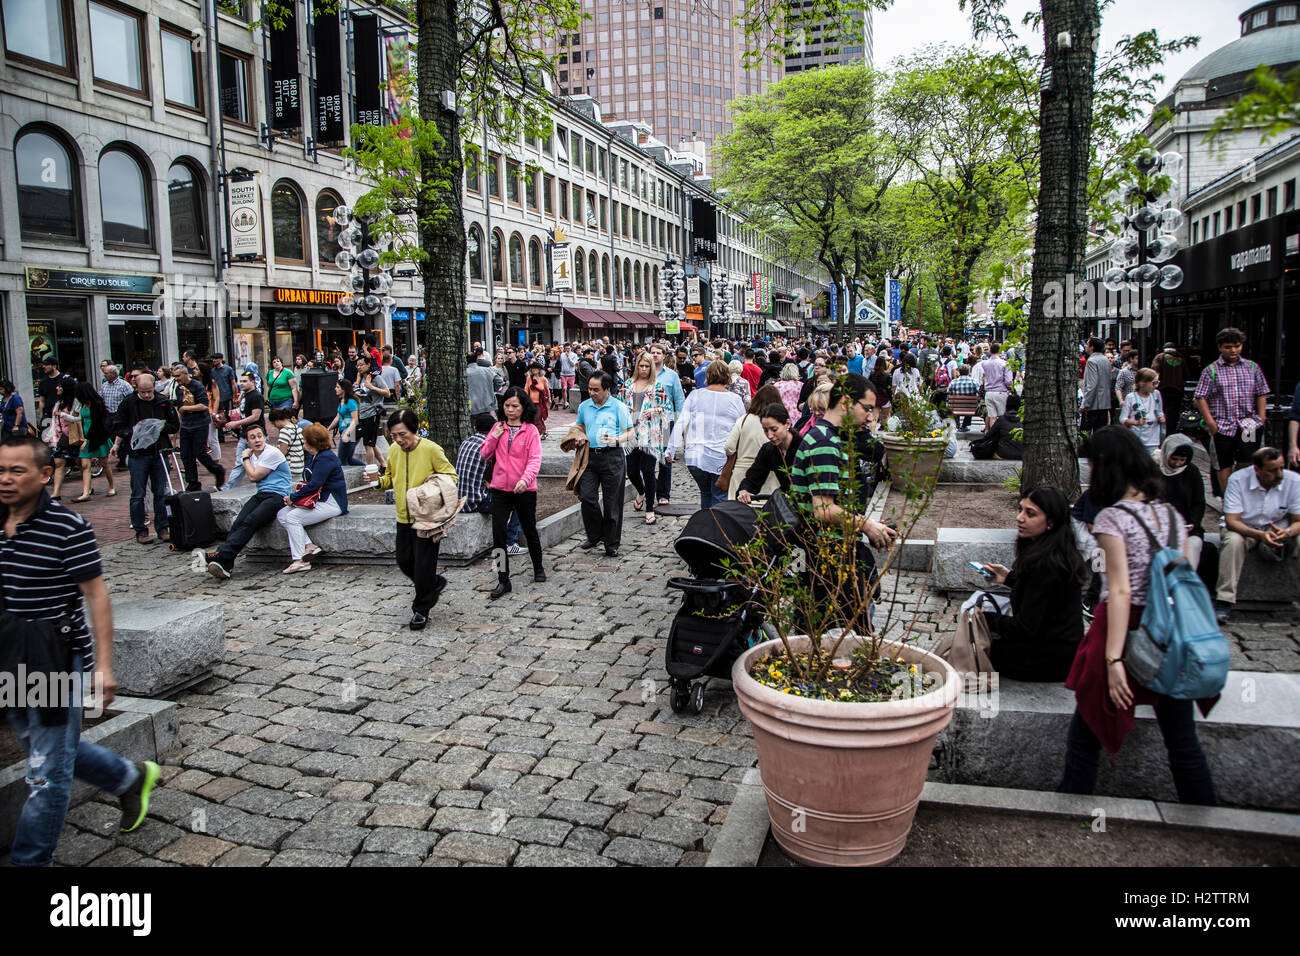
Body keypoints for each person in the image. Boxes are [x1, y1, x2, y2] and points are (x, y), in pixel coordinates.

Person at [0, 436, 161, 866]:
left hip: (52, 658)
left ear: (44, 474)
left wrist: (102, 667)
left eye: (17, 471)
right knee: (45, 747)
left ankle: (30, 861)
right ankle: (127, 778)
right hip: (10, 655)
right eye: (1, 470)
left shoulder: (66, 527)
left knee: (45, 777)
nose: (6, 479)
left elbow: (97, 596)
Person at [1059, 425, 1216, 805]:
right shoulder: (1171, 516)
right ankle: (1207, 818)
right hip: (1168, 634)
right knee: (1182, 741)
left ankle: (1065, 811)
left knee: (1087, 731)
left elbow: (1120, 591)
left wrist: (1113, 660)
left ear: (1106, 467)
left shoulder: (1114, 518)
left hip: (1123, 629)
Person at [980, 487, 1087, 681]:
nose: (1020, 518)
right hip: (1060, 651)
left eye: (1030, 514)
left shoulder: (1046, 565)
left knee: (971, 651)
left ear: (1051, 522)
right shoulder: (1056, 552)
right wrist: (1009, 578)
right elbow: (1042, 595)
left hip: (1048, 659)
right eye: (1020, 510)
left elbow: (1024, 627)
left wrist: (983, 618)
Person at [376, 409, 457, 628]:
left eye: (402, 434)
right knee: (404, 560)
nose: (399, 439)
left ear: (414, 430)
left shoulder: (431, 449)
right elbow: (390, 478)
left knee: (423, 566)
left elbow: (450, 475)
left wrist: (429, 488)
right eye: (394, 436)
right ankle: (432, 585)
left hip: (427, 517)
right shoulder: (394, 450)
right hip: (403, 516)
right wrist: (378, 481)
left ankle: (421, 609)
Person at [1213, 446, 1300, 623]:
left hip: (1278, 526)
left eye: (1281, 468)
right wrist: (1258, 535)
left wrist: (1287, 532)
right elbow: (1232, 521)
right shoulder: (1238, 479)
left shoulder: (1293, 481)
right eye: (1272, 470)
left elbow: (1298, 520)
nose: (1279, 474)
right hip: (1245, 527)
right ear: (1257, 470)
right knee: (1232, 541)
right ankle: (1224, 600)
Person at [480, 388, 545, 599]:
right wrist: (493, 438)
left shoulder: (531, 431)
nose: (510, 410)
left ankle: (538, 566)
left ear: (523, 407)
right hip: (500, 488)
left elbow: (535, 459)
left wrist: (525, 479)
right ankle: (502, 578)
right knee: (498, 534)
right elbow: (484, 453)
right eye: (507, 406)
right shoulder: (498, 428)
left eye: (514, 406)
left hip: (524, 489)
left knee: (529, 529)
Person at [205, 424, 290, 579]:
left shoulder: (272, 453)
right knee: (239, 522)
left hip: (278, 496)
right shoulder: (254, 455)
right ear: (247, 441)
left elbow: (253, 476)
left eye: (259, 436)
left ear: (265, 437)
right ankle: (225, 563)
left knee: (251, 521)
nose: (257, 440)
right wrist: (247, 458)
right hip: (262, 494)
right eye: (252, 437)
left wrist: (244, 457)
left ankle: (220, 555)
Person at [1194, 326, 1271, 496]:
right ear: (1220, 347)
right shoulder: (1211, 370)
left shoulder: (1252, 367)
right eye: (1228, 347)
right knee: (1223, 463)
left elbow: (1261, 392)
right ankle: (1229, 500)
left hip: (1248, 424)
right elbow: (1200, 397)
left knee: (1247, 460)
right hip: (1222, 424)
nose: (1233, 350)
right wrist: (1210, 422)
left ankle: (1242, 495)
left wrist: (1261, 417)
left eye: (1237, 346)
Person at [668, 360, 746, 510]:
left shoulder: (695, 395)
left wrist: (671, 449)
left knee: (705, 492)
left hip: (696, 456)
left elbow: (681, 422)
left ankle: (704, 527)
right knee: (720, 496)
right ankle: (715, 530)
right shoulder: (735, 400)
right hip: (721, 456)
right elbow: (742, 427)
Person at [115, 373, 179, 544]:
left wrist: (161, 427)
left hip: (158, 452)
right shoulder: (129, 403)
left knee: (160, 492)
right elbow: (117, 425)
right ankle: (141, 531)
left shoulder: (162, 401)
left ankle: (163, 528)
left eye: (149, 391)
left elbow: (174, 424)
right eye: (142, 392)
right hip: (137, 454)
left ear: (154, 387)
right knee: (138, 494)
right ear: (136, 388)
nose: (146, 395)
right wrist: (131, 433)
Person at [574, 372, 632, 557]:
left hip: (612, 456)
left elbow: (631, 432)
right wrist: (579, 437)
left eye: (596, 390)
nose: (591, 392)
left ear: (607, 389)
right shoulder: (584, 406)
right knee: (587, 496)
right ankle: (595, 534)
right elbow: (579, 426)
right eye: (590, 389)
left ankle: (611, 543)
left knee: (612, 502)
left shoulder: (618, 407)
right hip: (589, 457)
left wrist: (616, 439)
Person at [276, 424, 347, 574]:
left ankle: (300, 560)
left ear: (312, 442)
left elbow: (315, 484)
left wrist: (293, 498)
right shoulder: (315, 456)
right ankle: (309, 545)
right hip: (318, 500)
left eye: (305, 440)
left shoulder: (325, 458)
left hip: (332, 502)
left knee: (293, 517)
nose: (303, 443)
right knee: (282, 514)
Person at [457, 413, 525, 553]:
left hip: (460, 499)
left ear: (474, 428)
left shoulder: (465, 442)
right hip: (476, 501)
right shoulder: (490, 446)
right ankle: (509, 543)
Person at [618, 353, 671, 525]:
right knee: (632, 471)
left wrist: (655, 410)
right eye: (641, 366)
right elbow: (618, 405)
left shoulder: (656, 386)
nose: (643, 369)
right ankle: (640, 492)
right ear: (636, 367)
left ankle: (649, 509)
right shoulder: (627, 385)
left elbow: (667, 408)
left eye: (647, 366)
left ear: (651, 368)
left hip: (650, 435)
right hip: (631, 434)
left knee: (647, 470)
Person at [171, 363, 225, 492]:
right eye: (174, 376)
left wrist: (186, 408)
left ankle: (217, 470)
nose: (176, 379)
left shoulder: (197, 386)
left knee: (199, 452)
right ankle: (193, 483)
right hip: (186, 425)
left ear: (185, 374)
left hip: (200, 424)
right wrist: (177, 427)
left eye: (178, 376)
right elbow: (179, 408)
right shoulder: (179, 389)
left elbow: (204, 405)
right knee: (185, 455)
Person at [736, 402, 803, 505]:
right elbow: (754, 477)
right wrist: (744, 491)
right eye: (765, 430)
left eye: (774, 429)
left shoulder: (804, 447)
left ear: (787, 424)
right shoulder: (769, 449)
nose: (770, 435)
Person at [724, 385, 781, 501]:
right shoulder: (780, 424)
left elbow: (729, 447)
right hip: (770, 475)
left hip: (742, 473)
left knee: (740, 513)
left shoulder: (743, 420)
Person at [69, 382, 116, 501]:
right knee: (85, 465)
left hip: (97, 437)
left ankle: (111, 486)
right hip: (87, 437)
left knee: (104, 463)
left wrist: (87, 439)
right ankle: (86, 492)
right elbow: (81, 420)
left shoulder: (97, 404)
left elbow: (97, 424)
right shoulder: (83, 405)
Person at [219, 372, 266, 489]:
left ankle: (264, 484)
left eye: (245, 381)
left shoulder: (256, 396)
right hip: (245, 435)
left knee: (261, 461)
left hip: (256, 435)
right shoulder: (246, 396)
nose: (242, 384)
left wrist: (236, 423)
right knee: (240, 462)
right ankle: (228, 488)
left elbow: (255, 416)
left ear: (252, 382)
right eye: (241, 381)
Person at [354, 356, 390, 472]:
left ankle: (370, 471)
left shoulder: (376, 378)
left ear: (368, 365)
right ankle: (384, 465)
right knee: (371, 443)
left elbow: (387, 393)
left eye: (361, 364)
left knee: (368, 444)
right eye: (357, 365)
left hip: (372, 413)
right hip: (363, 414)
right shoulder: (362, 379)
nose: (359, 367)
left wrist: (372, 387)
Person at [1120, 368, 1165, 453]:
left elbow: (1160, 410)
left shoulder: (1156, 394)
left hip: (1153, 440)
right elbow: (1122, 418)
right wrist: (1136, 423)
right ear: (1142, 383)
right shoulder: (1131, 397)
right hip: (1137, 439)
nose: (1156, 386)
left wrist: (1162, 417)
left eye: (1157, 382)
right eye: (1154, 383)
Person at [329, 379, 363, 466]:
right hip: (344, 429)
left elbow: (355, 420)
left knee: (342, 459)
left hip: (351, 431)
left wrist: (347, 433)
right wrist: (328, 429)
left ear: (343, 389)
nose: (335, 389)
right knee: (348, 458)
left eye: (338, 387)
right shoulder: (341, 401)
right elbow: (337, 417)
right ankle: (365, 469)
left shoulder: (351, 402)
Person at [270, 406, 307, 482]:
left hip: (290, 467)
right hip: (300, 465)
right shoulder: (298, 428)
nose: (275, 427)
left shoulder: (284, 431)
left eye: (274, 424)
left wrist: (275, 449)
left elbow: (282, 453)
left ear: (276, 421)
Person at [525, 363, 551, 439]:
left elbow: (547, 390)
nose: (534, 370)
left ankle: (538, 433)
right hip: (531, 402)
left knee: (538, 418)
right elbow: (526, 388)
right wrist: (525, 398)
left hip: (540, 402)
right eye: (532, 369)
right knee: (533, 418)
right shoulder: (529, 378)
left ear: (539, 369)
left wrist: (549, 398)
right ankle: (543, 431)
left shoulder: (543, 379)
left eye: (536, 368)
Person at [35, 355, 61, 424]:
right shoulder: (43, 382)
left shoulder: (64, 379)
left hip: (62, 415)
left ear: (54, 366)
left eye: (46, 365)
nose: (44, 367)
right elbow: (42, 401)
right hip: (48, 416)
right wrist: (41, 417)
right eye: (43, 365)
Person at [558, 344, 578, 409]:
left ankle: (571, 403)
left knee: (571, 389)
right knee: (564, 388)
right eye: (566, 348)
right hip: (563, 374)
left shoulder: (574, 355)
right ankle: (565, 402)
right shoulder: (562, 355)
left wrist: (569, 357)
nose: (567, 350)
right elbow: (561, 363)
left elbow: (573, 364)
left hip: (571, 374)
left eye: (568, 348)